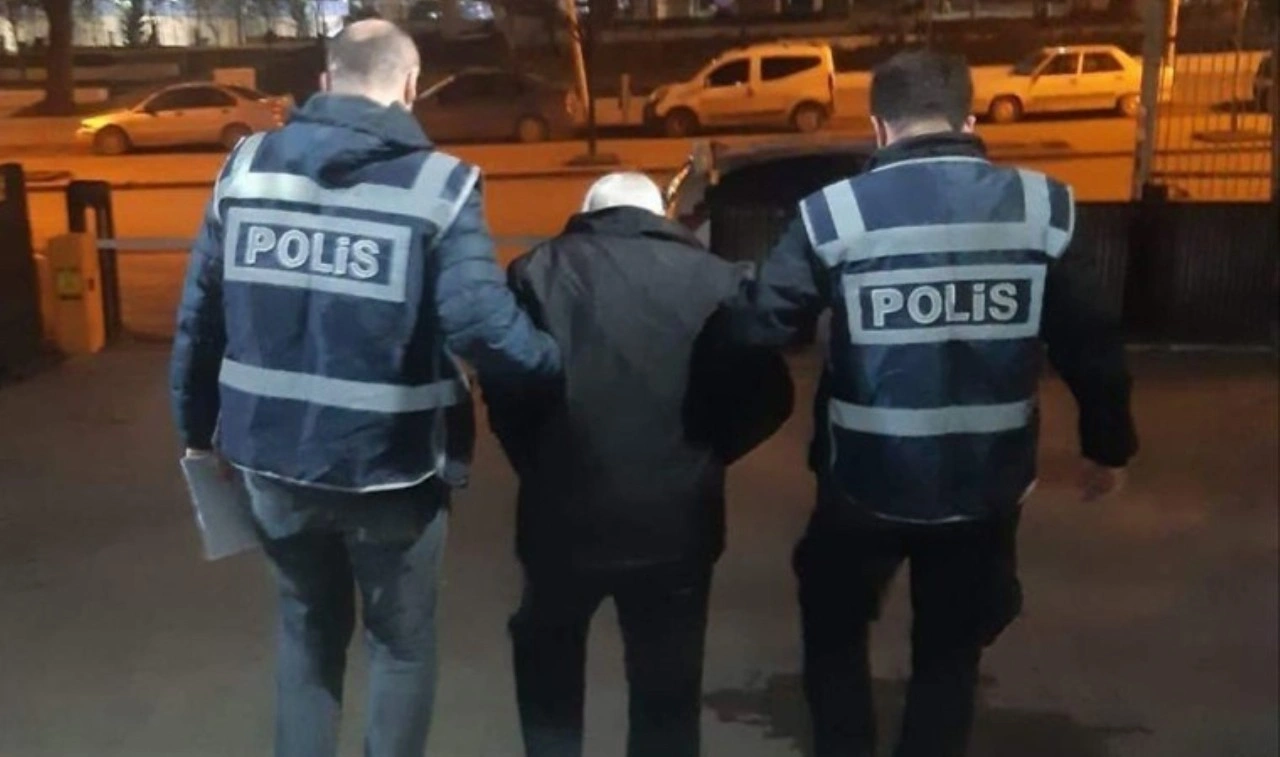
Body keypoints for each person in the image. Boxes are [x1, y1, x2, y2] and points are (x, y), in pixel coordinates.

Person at [729, 50, 1138, 757]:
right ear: (969, 120)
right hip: (985, 483)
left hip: (863, 479)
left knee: (833, 629)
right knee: (949, 655)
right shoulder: (1041, 207)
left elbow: (765, 321)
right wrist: (1108, 448)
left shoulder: (835, 212)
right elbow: (1091, 341)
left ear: (879, 126)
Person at [169, 19, 560, 757]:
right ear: (410, 86)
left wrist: (195, 431)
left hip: (270, 462)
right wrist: (552, 365)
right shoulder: (440, 185)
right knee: (400, 647)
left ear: (325, 82)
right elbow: (481, 325)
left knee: (307, 636)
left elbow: (200, 316)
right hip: (392, 468)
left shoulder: (246, 167)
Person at [484, 173, 793, 757]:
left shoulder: (536, 272)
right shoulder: (718, 280)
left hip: (562, 515)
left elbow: (507, 387)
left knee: (549, 666)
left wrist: (539, 463)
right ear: (661, 214)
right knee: (667, 688)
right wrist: (706, 453)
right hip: (677, 520)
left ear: (588, 210)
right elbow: (769, 398)